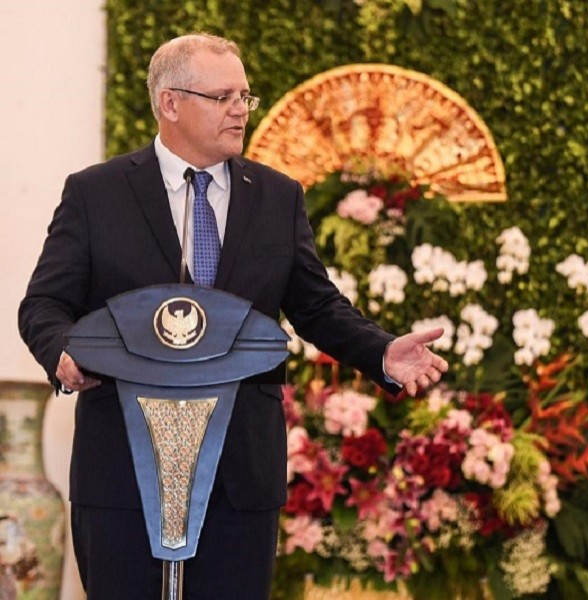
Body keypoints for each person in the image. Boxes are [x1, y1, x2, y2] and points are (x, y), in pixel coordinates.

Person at [18, 33, 448, 599]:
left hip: (238, 477)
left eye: (246, 96)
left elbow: (315, 305)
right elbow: (44, 305)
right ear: (170, 103)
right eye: (223, 97)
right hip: (121, 473)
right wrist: (65, 353)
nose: (241, 110)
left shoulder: (277, 196)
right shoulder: (96, 194)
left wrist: (381, 350)